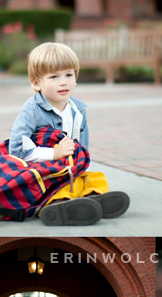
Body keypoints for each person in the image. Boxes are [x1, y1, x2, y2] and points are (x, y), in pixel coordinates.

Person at [10, 42, 129, 226]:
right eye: (54, 77)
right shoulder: (31, 110)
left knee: (94, 177)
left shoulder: (78, 110)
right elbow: (17, 149)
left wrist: (80, 168)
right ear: (36, 82)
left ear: (76, 77)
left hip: (68, 170)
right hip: (42, 172)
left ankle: (94, 200)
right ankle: (58, 206)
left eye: (68, 75)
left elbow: (83, 148)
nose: (63, 81)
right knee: (57, 186)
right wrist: (54, 154)